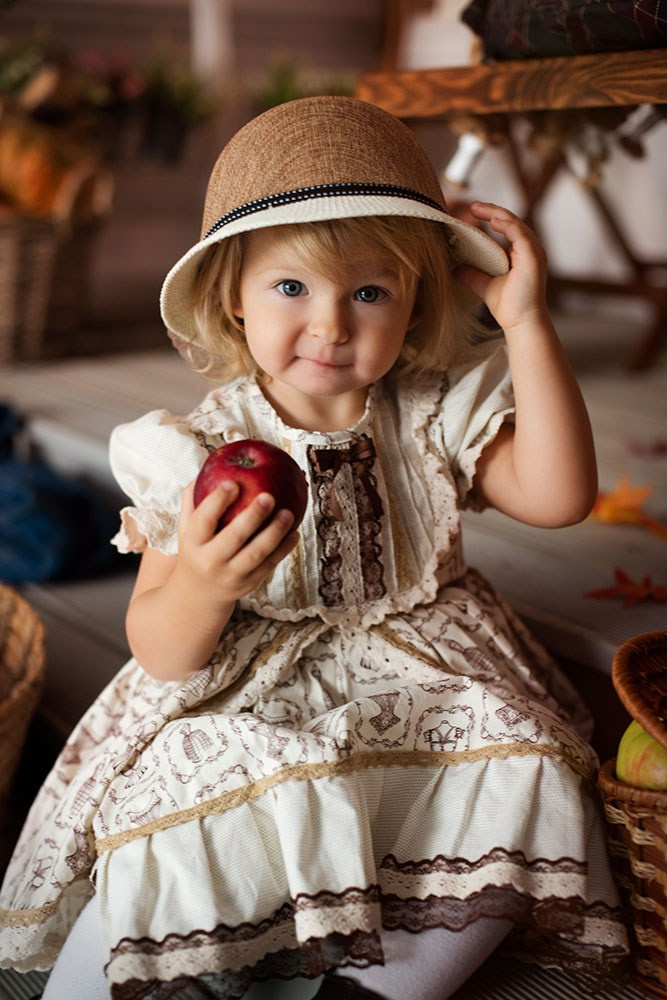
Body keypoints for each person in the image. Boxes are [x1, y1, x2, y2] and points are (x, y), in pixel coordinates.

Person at [0, 96, 628, 1000]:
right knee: (203, 792)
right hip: (253, 682)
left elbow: (562, 497)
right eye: (291, 288)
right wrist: (206, 584)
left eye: (369, 291)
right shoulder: (197, 451)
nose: (331, 324)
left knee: (521, 759)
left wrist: (526, 322)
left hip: (423, 671)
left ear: (415, 303)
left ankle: (391, 981)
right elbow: (162, 649)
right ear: (233, 298)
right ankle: (155, 961)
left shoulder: (429, 410)